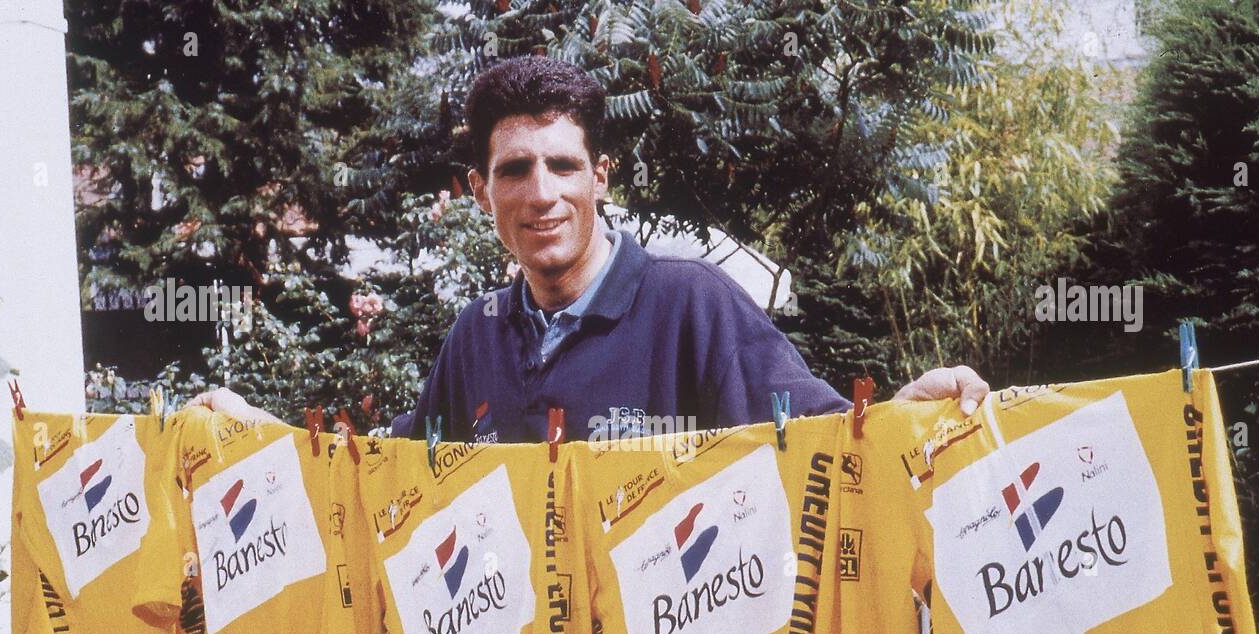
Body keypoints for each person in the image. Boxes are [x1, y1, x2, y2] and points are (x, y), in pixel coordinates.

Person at [191, 56, 988, 437]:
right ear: (480, 190)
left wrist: (898, 418)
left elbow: (814, 434)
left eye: (564, 165)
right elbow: (372, 477)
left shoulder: (691, 306)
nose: (542, 193)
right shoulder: (475, 339)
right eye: (514, 170)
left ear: (601, 177)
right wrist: (254, 430)